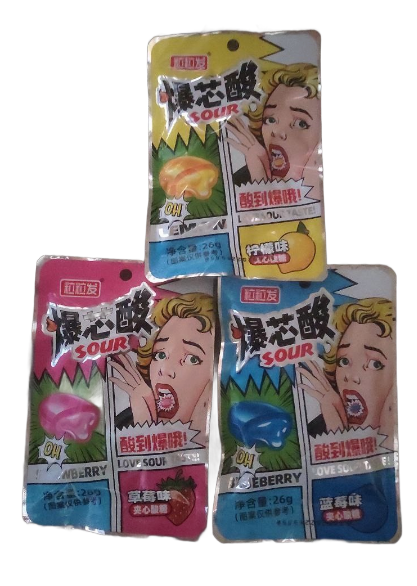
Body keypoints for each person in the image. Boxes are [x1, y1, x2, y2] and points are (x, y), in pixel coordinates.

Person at [109, 293, 214, 443]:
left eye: (191, 359)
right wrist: (144, 428)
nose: (164, 370)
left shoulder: (235, 434)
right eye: (160, 355)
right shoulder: (123, 424)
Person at [296, 298, 396, 449]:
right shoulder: (316, 430)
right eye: (344, 361)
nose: (351, 376)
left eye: (375, 364)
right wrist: (338, 435)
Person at [226, 63, 321, 189]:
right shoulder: (241, 180)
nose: (276, 131)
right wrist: (260, 179)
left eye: (300, 124)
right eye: (271, 119)